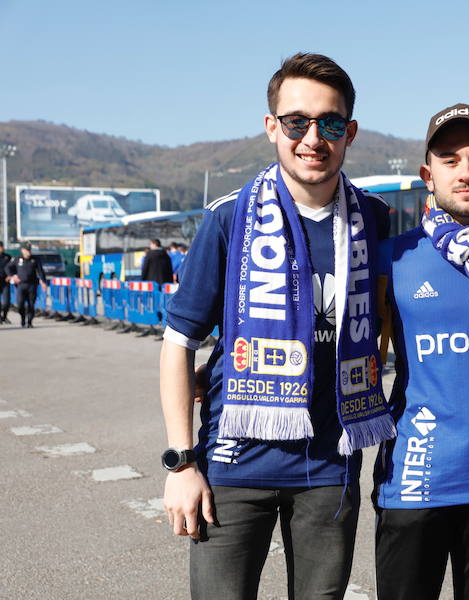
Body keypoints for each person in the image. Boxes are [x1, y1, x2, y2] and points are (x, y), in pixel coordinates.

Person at [159, 51, 395, 599]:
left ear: (350, 132)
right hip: (232, 466)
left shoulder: (376, 219)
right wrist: (180, 463)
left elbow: (383, 320)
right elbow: (177, 344)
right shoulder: (228, 218)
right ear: (272, 128)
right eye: (297, 122)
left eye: (330, 123)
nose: (313, 137)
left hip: (330, 469)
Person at [373, 103, 469, 600]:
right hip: (414, 477)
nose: (465, 172)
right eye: (449, 158)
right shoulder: (392, 257)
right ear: (427, 174)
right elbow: (349, 350)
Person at [5, 243, 48, 328]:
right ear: (22, 251)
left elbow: (40, 271)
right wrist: (13, 277)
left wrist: (43, 282)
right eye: (26, 250)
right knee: (20, 304)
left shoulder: (35, 259)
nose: (28, 252)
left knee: (31, 304)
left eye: (29, 250)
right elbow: (8, 268)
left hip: (32, 285)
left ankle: (29, 322)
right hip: (21, 285)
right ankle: (23, 318)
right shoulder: (17, 259)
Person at [0, 242, 11, 323]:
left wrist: (11, 275)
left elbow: (14, 268)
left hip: (5, 282)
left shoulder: (8, 257)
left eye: (1, 247)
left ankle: (4, 316)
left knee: (7, 301)